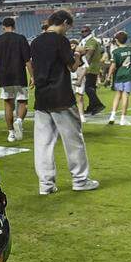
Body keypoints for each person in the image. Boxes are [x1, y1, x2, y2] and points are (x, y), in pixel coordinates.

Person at [29, 12, 97, 194]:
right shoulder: (61, 40)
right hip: (61, 96)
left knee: (43, 144)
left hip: (42, 97)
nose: (68, 30)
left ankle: (46, 185)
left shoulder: (35, 42)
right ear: (65, 23)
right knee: (74, 141)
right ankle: (80, 180)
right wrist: (77, 53)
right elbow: (72, 66)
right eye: (68, 26)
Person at [0, 16, 32, 142]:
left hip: (4, 76)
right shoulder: (21, 39)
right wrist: (33, 76)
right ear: (14, 26)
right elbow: (27, 60)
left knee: (8, 104)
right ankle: (19, 121)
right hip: (19, 75)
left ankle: (11, 133)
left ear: (3, 27)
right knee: (23, 102)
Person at [106, 31, 131, 126]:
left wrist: (108, 77)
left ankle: (112, 116)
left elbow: (113, 66)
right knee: (125, 96)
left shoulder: (116, 51)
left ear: (117, 40)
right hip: (129, 75)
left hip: (119, 75)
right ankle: (123, 119)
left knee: (117, 95)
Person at [77, 25, 105, 116]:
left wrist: (83, 65)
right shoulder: (91, 40)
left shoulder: (91, 41)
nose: (83, 33)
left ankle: (98, 104)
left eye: (84, 31)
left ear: (89, 31)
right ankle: (92, 107)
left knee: (88, 87)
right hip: (93, 66)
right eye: (82, 31)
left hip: (90, 67)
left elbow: (89, 54)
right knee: (91, 87)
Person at [70, 38, 89, 122]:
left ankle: (81, 115)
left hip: (79, 78)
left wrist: (80, 79)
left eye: (73, 44)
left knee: (80, 97)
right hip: (70, 78)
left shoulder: (82, 56)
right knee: (71, 98)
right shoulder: (68, 55)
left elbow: (85, 68)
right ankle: (73, 115)